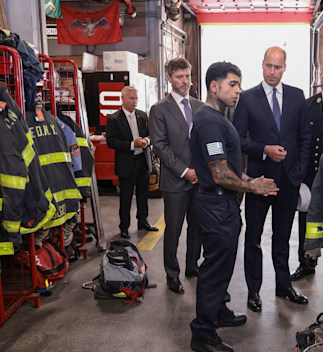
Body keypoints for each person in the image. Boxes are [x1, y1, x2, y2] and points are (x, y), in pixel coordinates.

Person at [189, 61, 279, 352]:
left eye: (239, 84)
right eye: (232, 84)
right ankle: (202, 333)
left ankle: (218, 311)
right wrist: (251, 187)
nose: (238, 90)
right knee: (215, 267)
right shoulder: (210, 121)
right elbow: (218, 173)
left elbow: (228, 168)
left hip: (222, 203)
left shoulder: (219, 118)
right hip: (214, 203)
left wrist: (250, 179)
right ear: (214, 87)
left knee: (224, 262)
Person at [232, 46, 312, 312]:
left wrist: (298, 171)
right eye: (269, 66)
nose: (272, 72)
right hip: (258, 181)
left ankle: (283, 285)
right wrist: (263, 150)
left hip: (288, 181)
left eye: (277, 67)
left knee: (282, 238)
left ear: (284, 68)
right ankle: (253, 291)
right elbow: (238, 140)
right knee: (253, 237)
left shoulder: (297, 96)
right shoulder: (248, 98)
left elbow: (304, 137)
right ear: (262, 65)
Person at [149, 57, 203, 295]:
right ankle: (172, 273)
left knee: (197, 227)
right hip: (175, 181)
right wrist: (185, 171)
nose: (184, 82)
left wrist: (201, 171)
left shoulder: (200, 107)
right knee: (173, 230)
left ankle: (193, 266)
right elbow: (160, 146)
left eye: (187, 76)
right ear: (169, 78)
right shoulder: (159, 109)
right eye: (179, 77)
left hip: (200, 180)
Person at [291, 62, 323, 281]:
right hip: (310, 176)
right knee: (307, 221)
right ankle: (306, 263)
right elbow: (300, 141)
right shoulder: (308, 105)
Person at [106, 86, 159, 238]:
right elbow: (111, 142)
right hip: (126, 163)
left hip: (142, 161)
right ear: (122, 99)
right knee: (126, 198)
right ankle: (124, 227)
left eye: (136, 98)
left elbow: (152, 134)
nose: (134, 102)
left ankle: (143, 221)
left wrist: (146, 141)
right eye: (131, 98)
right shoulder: (114, 119)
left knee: (143, 194)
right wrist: (131, 145)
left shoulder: (143, 116)